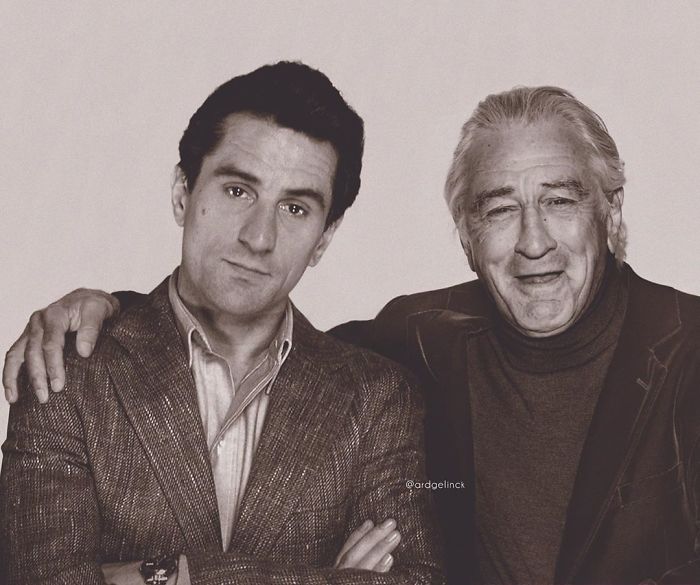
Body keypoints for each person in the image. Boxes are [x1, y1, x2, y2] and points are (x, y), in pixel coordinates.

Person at [6, 85, 700, 585]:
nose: (534, 242)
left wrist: (166, 577)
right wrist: (111, 309)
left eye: (560, 200)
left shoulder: (690, 350)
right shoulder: (418, 341)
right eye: (500, 210)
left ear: (610, 212)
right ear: (467, 235)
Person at [0, 61, 443, 585]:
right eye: (238, 191)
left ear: (324, 237)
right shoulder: (67, 370)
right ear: (182, 193)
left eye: (295, 208)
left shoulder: (379, 399)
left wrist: (172, 576)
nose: (259, 237)